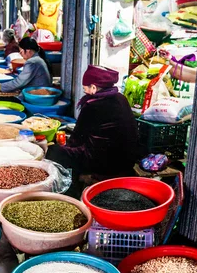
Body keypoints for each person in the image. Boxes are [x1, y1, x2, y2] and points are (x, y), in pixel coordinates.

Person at [47, 65, 139, 196]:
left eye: (85, 90)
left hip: (105, 163)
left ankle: (72, 192)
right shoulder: (120, 98)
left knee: (54, 151)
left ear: (94, 88)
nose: (85, 93)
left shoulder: (93, 105)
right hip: (127, 159)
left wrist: (63, 147)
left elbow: (76, 139)